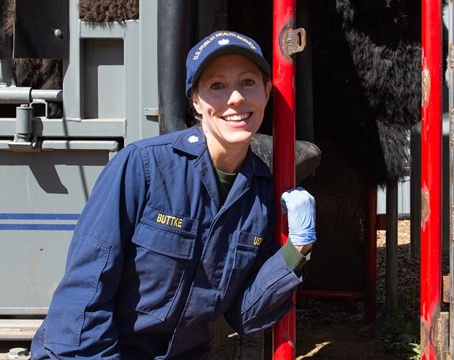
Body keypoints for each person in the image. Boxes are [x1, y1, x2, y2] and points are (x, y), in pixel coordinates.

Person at [30, 30, 316, 359]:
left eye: (248, 82)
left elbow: (247, 314)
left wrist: (296, 249)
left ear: (267, 92)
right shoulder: (143, 166)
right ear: (195, 100)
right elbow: (85, 292)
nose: (236, 98)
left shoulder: (263, 195)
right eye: (217, 86)